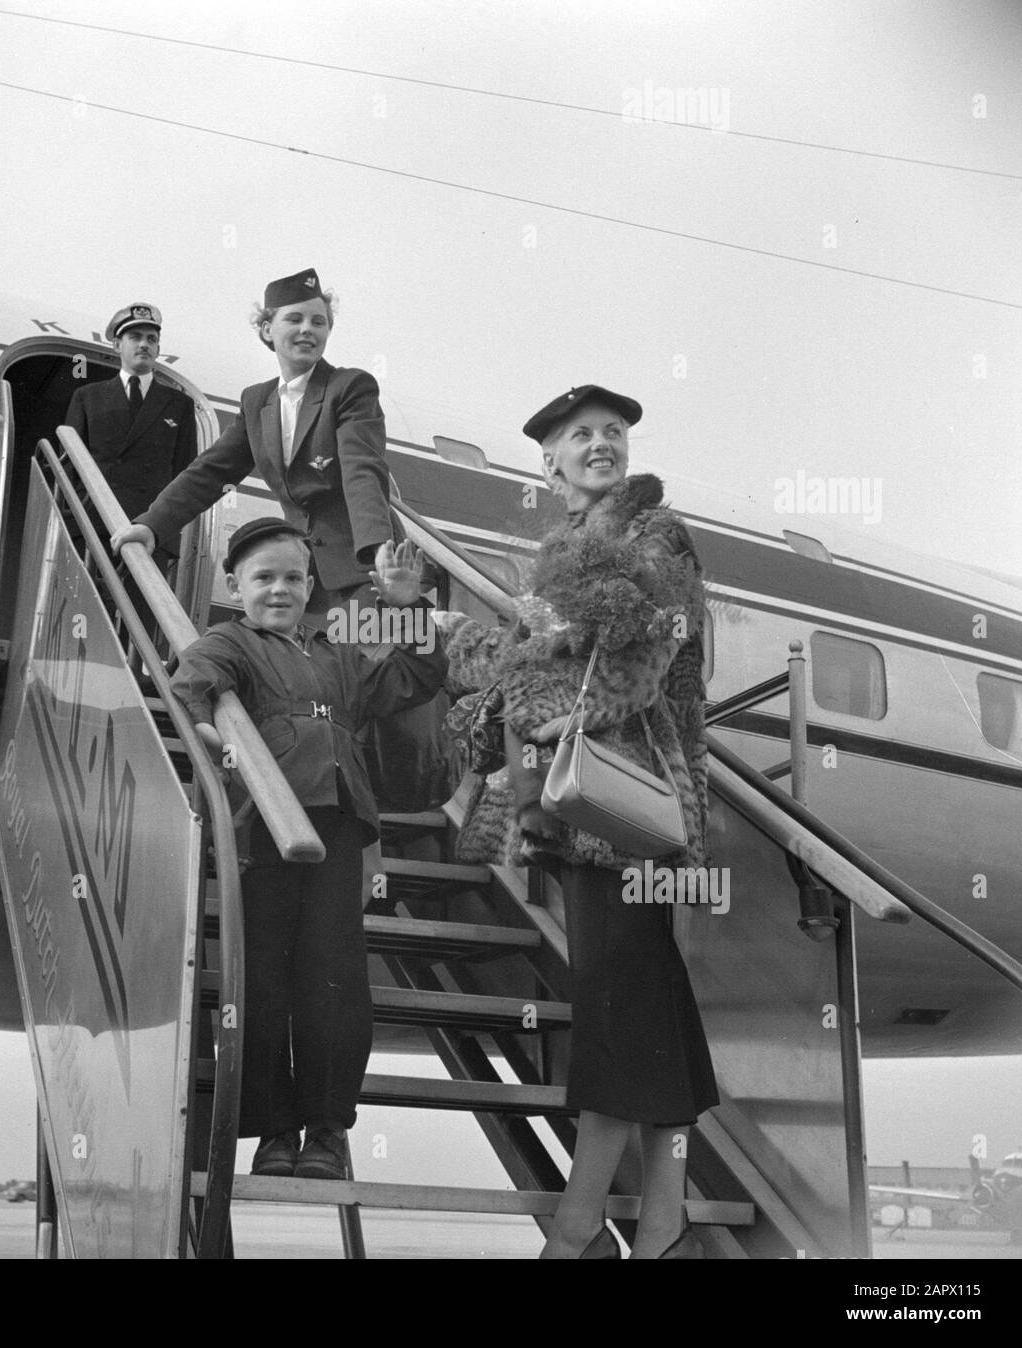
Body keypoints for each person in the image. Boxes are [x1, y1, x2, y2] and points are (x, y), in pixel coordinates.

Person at [437, 384, 717, 1258]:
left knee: (612, 1003)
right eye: (580, 436)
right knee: (644, 1003)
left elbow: (654, 644)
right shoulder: (558, 550)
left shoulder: (653, 534)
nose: (600, 445)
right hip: (573, 802)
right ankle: (661, 1227)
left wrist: (557, 710)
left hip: (626, 794)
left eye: (612, 433)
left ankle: (577, 1223)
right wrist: (499, 689)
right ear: (549, 460)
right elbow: (537, 658)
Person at [170, 518, 447, 1180]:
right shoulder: (230, 642)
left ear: (310, 584)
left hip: (337, 824)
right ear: (236, 587)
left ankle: (326, 1128)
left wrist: (409, 606)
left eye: (294, 577)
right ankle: (273, 1129)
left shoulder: (337, 655)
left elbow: (415, 677)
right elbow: (191, 691)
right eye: (264, 578)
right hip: (265, 824)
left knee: (336, 978)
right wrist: (223, 746)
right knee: (261, 977)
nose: (280, 589)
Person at [110, 269, 397, 615]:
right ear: (266, 329)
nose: (308, 329)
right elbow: (211, 472)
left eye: (319, 322)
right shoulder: (256, 402)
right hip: (304, 580)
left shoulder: (350, 387)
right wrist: (150, 526)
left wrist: (380, 549)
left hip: (365, 569)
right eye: (295, 318)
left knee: (365, 665)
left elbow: (361, 469)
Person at [66, 302, 198, 559]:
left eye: (151, 339)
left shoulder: (180, 405)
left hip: (149, 532)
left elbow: (185, 472)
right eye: (135, 337)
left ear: (158, 349)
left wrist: (165, 528)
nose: (144, 345)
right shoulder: (88, 397)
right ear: (117, 345)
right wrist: (75, 522)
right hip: (93, 527)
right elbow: (70, 467)